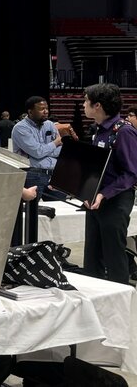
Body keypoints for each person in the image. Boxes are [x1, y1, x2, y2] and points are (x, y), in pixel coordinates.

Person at [82, 83, 137, 285]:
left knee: (113, 254)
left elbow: (131, 173)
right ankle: (94, 296)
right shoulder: (98, 130)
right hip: (95, 199)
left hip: (115, 200)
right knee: (92, 254)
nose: (83, 105)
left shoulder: (124, 131)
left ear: (97, 105)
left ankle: (120, 296)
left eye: (86, 101)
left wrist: (104, 193)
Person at [11, 96, 64, 200]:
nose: (46, 112)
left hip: (54, 173)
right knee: (32, 208)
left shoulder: (50, 125)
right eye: (41, 109)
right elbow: (37, 152)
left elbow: (60, 150)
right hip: (32, 174)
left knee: (61, 206)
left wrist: (44, 149)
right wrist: (55, 143)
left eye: (47, 108)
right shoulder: (20, 128)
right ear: (30, 112)